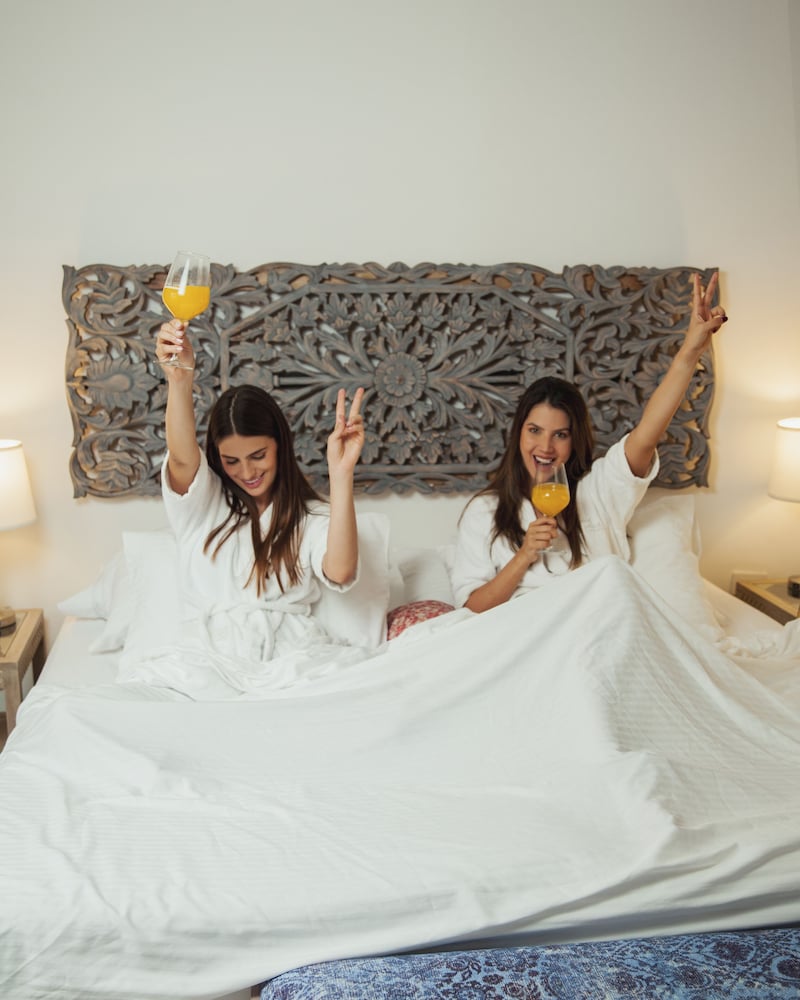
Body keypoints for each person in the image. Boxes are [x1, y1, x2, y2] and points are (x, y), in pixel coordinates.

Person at [451, 272, 727, 613]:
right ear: (518, 433)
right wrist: (524, 555)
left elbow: (647, 435)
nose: (545, 447)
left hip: (598, 625)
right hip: (527, 630)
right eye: (535, 430)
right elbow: (471, 609)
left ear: (574, 440)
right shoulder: (484, 512)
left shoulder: (598, 492)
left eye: (560, 435)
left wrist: (690, 351)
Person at [150, 317, 366, 693]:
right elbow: (182, 458)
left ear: (279, 445)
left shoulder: (311, 517)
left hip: (293, 663)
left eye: (258, 455)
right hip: (208, 663)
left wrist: (341, 472)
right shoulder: (204, 504)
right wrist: (179, 379)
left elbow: (341, 571)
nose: (247, 472)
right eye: (231, 461)